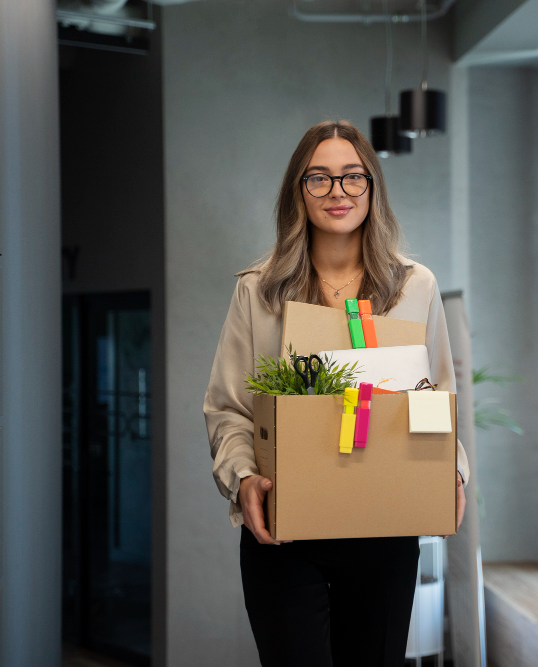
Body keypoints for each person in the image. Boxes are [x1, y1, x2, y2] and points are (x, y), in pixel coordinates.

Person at [202, 119, 469, 667]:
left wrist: (452, 471)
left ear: (373, 187)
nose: (338, 192)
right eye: (318, 178)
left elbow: (437, 395)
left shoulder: (414, 285)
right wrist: (243, 477)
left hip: (384, 528)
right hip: (285, 531)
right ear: (297, 191)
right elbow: (229, 407)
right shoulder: (258, 289)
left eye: (353, 177)